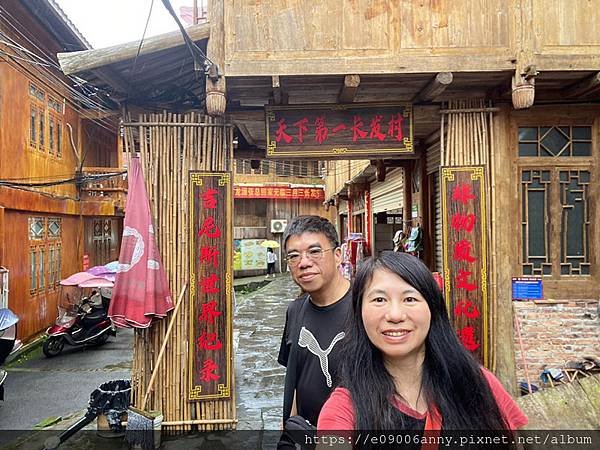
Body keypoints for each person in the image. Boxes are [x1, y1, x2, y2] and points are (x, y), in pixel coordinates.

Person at [318, 252, 527, 439]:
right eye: (379, 300)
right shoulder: (345, 408)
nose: (395, 315)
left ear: (432, 309)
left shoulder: (477, 382)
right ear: (359, 312)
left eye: (409, 299)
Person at [278, 216, 352, 436]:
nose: (304, 262)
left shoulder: (366, 308)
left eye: (314, 251)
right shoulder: (295, 310)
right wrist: (288, 426)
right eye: (293, 256)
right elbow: (294, 377)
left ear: (338, 255)